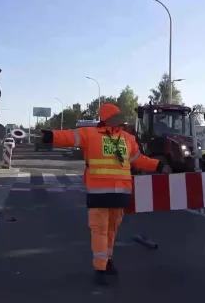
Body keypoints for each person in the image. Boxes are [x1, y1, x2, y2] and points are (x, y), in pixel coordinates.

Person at [40, 104, 172, 286]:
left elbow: (138, 160)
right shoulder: (104, 136)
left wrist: (158, 166)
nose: (121, 117)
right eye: (117, 115)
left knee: (108, 230)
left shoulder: (118, 137)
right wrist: (51, 135)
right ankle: (101, 267)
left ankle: (105, 263)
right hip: (109, 194)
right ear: (108, 117)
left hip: (111, 194)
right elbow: (69, 136)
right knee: (103, 230)